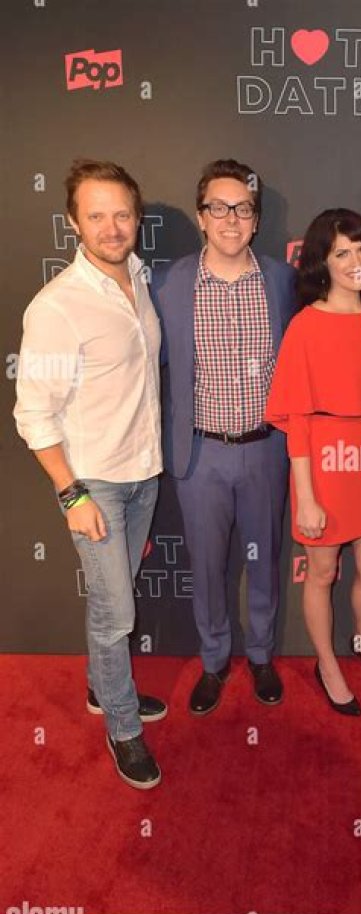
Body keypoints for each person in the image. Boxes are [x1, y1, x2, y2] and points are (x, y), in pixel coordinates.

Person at [14, 159, 165, 790]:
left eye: (121, 214)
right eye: (96, 215)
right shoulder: (57, 307)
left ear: (137, 218)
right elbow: (32, 413)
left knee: (113, 599)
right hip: (94, 483)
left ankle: (103, 687)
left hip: (144, 474)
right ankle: (122, 727)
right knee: (116, 614)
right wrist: (72, 493)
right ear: (73, 222)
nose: (111, 227)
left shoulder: (141, 278)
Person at [153, 160, 296, 717]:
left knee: (265, 561)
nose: (231, 219)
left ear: (256, 220)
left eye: (242, 208)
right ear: (201, 215)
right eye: (219, 207)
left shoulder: (282, 281)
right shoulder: (169, 283)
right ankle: (213, 660)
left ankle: (260, 654)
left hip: (266, 450)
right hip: (200, 454)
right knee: (207, 567)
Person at [265, 209, 361, 716]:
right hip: (322, 462)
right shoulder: (305, 326)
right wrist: (305, 497)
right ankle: (326, 664)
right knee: (322, 572)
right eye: (341, 252)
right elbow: (297, 420)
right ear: (322, 263)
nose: (355, 261)